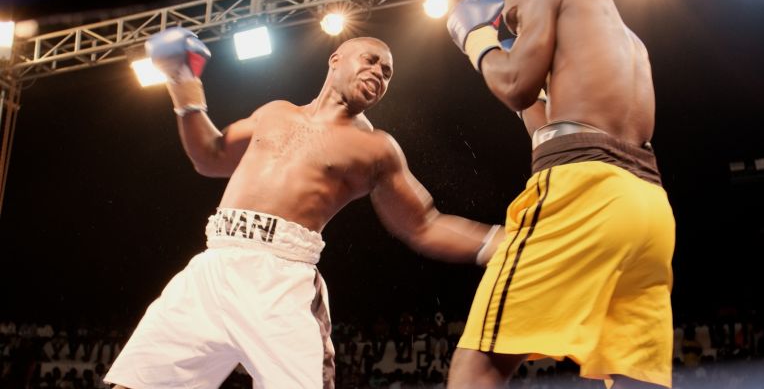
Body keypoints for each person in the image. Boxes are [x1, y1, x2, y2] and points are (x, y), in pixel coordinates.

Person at [104, 29, 504, 389]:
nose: (379, 74)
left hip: (281, 282)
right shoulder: (274, 112)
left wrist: (497, 243)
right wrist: (182, 84)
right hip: (213, 267)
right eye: (371, 61)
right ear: (336, 60)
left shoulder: (376, 147)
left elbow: (423, 225)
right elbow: (210, 157)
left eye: (387, 73)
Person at [445, 0, 676, 388]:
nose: (516, 30)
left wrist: (478, 38)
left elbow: (514, 83)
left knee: (479, 361)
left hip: (584, 190)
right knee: (633, 375)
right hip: (648, 206)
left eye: (514, 20)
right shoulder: (627, 42)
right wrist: (514, 68)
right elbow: (542, 126)